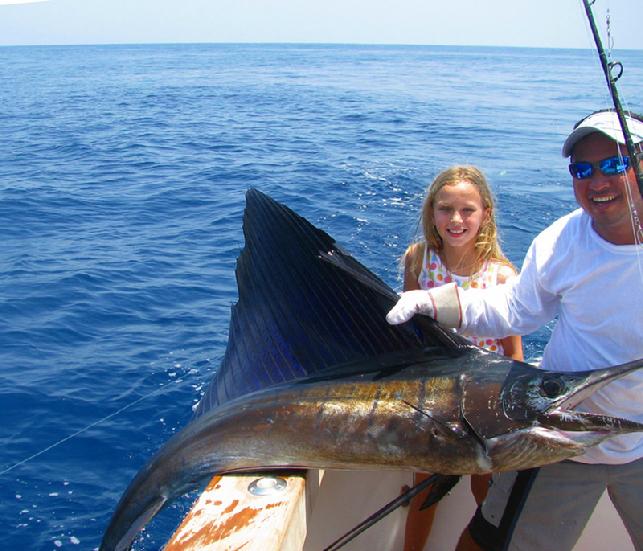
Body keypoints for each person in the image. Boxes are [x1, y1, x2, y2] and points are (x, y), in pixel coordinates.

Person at [387, 109, 643, 551]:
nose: (597, 181)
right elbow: (515, 310)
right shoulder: (560, 241)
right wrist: (433, 301)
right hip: (561, 438)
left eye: (615, 165)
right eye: (582, 169)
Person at [399, 166, 523, 551]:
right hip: (433, 399)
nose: (455, 219)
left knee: (485, 488)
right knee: (424, 490)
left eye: (467, 210)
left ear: (485, 213)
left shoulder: (502, 276)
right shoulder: (418, 260)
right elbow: (411, 339)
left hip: (485, 401)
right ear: (431, 212)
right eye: (445, 208)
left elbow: (513, 353)